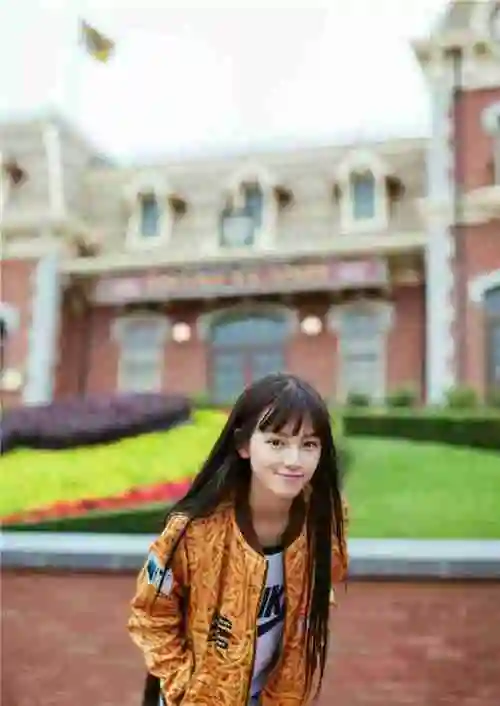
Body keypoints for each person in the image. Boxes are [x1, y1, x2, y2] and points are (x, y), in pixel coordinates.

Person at [128, 372, 348, 706]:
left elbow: (321, 592)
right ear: (244, 445)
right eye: (277, 442)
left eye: (309, 444)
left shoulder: (323, 523)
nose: (294, 460)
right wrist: (187, 687)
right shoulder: (193, 530)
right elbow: (151, 613)